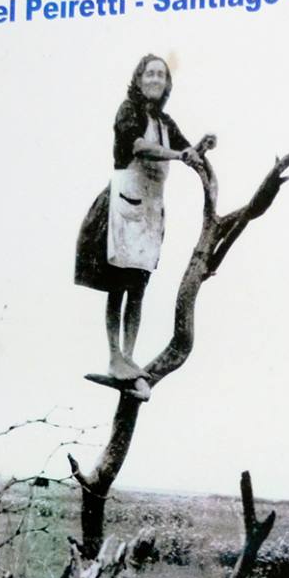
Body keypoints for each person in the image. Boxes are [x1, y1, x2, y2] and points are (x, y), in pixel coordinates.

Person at [72, 54, 211, 400]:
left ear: (167, 83)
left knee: (139, 284)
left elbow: (184, 149)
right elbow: (138, 146)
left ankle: (129, 357)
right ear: (139, 78)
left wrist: (199, 148)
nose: (155, 79)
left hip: (151, 208)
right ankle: (114, 356)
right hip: (126, 201)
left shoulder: (164, 121)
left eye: (161, 75)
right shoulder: (129, 110)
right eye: (150, 73)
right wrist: (178, 155)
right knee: (118, 282)